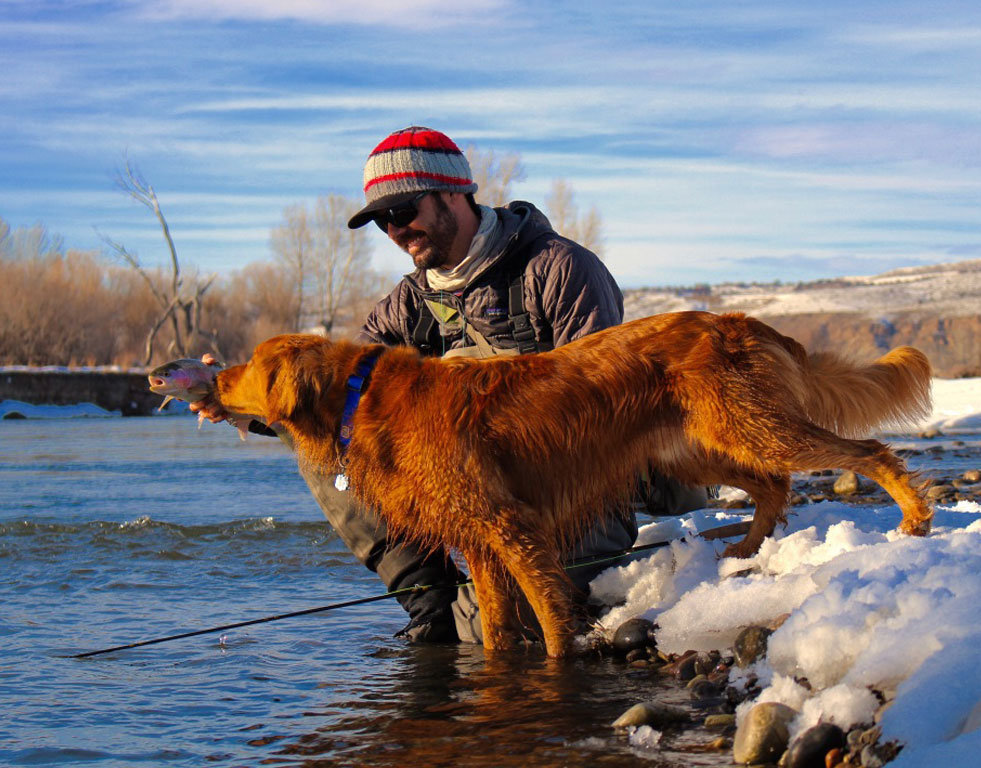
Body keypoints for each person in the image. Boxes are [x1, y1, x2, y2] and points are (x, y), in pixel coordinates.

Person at [197, 126, 706, 644]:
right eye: (380, 222)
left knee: (499, 627)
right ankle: (430, 602)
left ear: (453, 193)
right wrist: (242, 405)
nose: (394, 230)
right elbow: (329, 405)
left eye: (402, 211)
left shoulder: (559, 269)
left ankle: (480, 615)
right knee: (331, 452)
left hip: (585, 479)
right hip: (486, 495)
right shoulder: (403, 308)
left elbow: (610, 405)